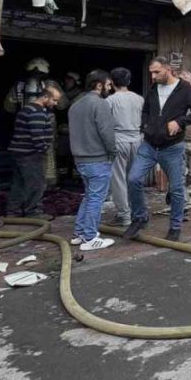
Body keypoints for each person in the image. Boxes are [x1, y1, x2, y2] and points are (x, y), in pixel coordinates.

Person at [125, 57, 191, 242]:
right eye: (151, 73)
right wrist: (145, 125)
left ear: (168, 69)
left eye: (156, 72)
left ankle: (175, 226)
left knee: (176, 188)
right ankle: (140, 217)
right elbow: (145, 110)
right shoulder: (153, 88)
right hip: (149, 145)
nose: (152, 76)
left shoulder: (185, 89)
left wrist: (179, 122)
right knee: (133, 178)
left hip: (172, 147)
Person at [68, 69, 117, 251]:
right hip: (97, 159)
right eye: (108, 84)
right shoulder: (100, 104)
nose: (110, 88)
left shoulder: (75, 105)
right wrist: (113, 151)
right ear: (99, 85)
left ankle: (79, 233)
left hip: (80, 159)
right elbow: (107, 132)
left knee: (89, 196)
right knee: (96, 199)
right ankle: (90, 237)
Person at [7, 85, 63, 219]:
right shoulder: (36, 112)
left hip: (19, 152)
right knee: (36, 183)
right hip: (30, 153)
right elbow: (37, 135)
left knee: (19, 183)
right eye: (54, 100)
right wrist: (43, 149)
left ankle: (13, 211)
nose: (55, 104)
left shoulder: (26, 109)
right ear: (45, 97)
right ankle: (33, 212)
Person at [106, 67, 144, 227]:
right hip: (137, 139)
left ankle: (124, 215)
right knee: (134, 178)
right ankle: (138, 212)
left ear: (112, 82)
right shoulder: (139, 99)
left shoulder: (110, 101)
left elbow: (105, 124)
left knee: (118, 179)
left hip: (118, 139)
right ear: (128, 81)